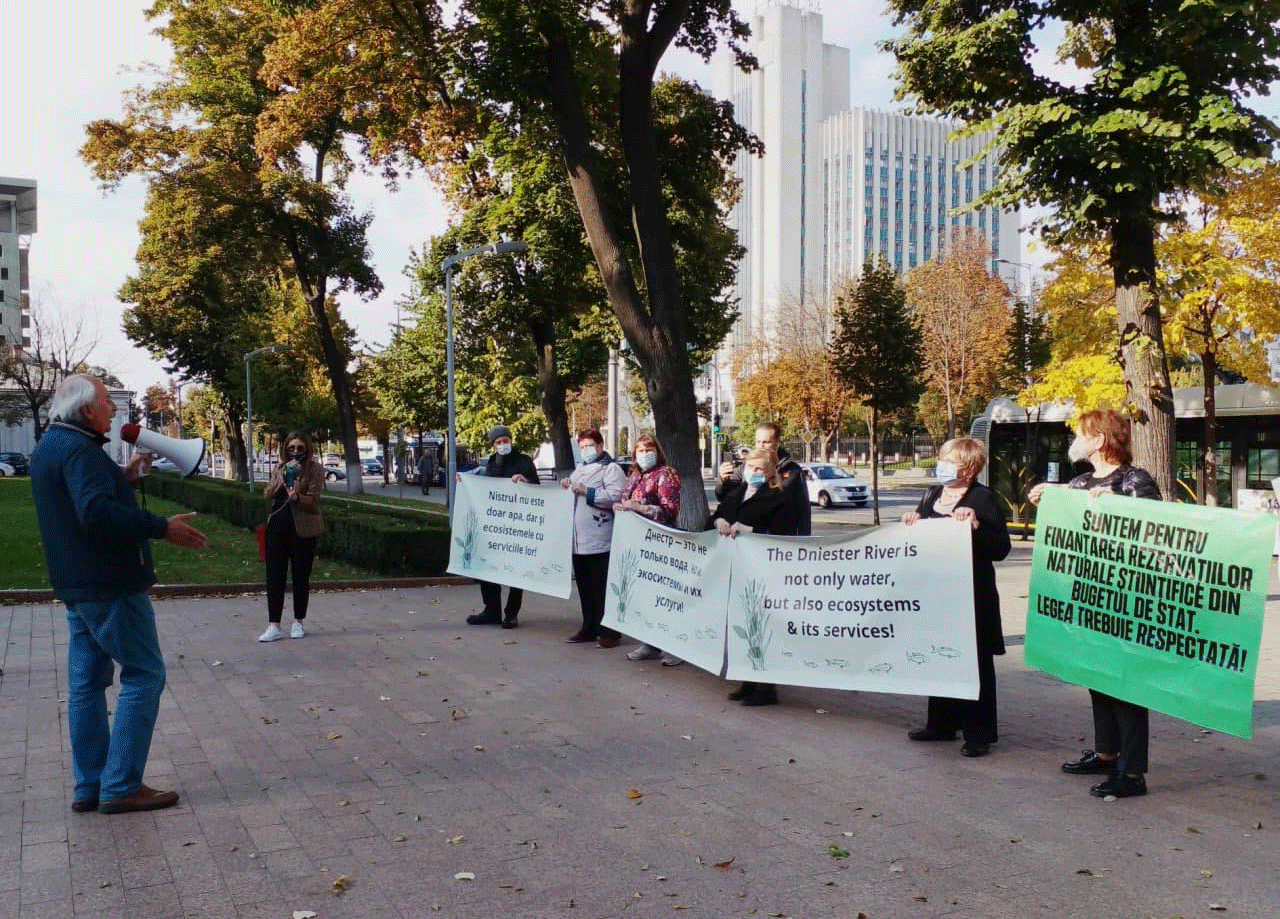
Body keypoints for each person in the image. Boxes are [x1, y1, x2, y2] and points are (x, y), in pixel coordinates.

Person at [30, 374, 208, 815]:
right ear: (88, 410)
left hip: (78, 585)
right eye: (108, 402)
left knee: (87, 685)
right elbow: (93, 511)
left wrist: (122, 477)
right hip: (110, 585)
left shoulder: (52, 446)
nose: (113, 410)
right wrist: (161, 526)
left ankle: (90, 784)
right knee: (145, 673)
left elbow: (80, 501)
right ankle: (121, 783)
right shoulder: (80, 451)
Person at [1028, 409, 1161, 798]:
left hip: (1127, 597)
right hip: (1091, 596)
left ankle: (1132, 773)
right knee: (1097, 676)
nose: (1077, 440)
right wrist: (1047, 502)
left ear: (1100, 440)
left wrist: (1120, 502)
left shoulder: (1134, 479)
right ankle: (1107, 753)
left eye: (1083, 433)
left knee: (1126, 684)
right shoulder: (1081, 481)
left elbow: (1154, 531)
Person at [902, 436, 1011, 757]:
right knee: (938, 654)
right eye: (942, 459)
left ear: (971, 468)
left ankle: (979, 733)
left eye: (950, 461)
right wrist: (913, 522)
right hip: (936, 592)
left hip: (971, 595)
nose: (942, 466)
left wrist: (976, 526)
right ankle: (941, 724)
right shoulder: (933, 495)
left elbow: (1000, 548)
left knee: (974, 661)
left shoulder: (983, 498)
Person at [711, 447, 803, 706]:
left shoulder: (780, 495)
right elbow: (717, 516)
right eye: (752, 467)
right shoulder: (737, 492)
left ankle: (766, 686)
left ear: (772, 471)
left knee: (762, 626)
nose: (755, 472)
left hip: (764, 570)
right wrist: (718, 521)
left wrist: (752, 529)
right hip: (736, 568)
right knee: (741, 624)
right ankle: (747, 679)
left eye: (761, 469)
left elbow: (783, 532)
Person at [616, 433, 683, 663]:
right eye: (640, 450)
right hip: (638, 542)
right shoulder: (635, 476)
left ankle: (675, 647)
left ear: (658, 450)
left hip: (661, 543)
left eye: (649, 449)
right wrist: (623, 507)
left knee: (665, 596)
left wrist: (642, 508)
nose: (645, 454)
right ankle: (650, 643)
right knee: (646, 595)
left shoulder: (666, 474)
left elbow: (669, 511)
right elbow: (626, 500)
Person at [464, 425, 540, 628]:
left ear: (511, 441)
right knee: (487, 566)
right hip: (495, 523)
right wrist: (465, 483)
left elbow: (537, 488)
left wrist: (526, 481)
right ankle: (491, 610)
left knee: (516, 570)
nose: (502, 445)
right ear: (493, 445)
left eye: (505, 441)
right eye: (498, 443)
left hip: (517, 523)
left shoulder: (524, 461)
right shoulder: (491, 462)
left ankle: (511, 613)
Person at [561, 429, 628, 648]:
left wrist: (586, 491)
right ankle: (589, 626)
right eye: (582, 447)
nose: (586, 450)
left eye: (589, 445)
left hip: (600, 537)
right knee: (585, 586)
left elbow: (615, 496)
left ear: (600, 445)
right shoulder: (579, 469)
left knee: (602, 587)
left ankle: (609, 631)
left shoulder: (611, 468)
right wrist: (566, 486)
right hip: (578, 540)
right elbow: (572, 491)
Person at [259, 431, 326, 642]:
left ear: (306, 449)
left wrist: (297, 495)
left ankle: (298, 621)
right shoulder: (280, 467)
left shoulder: (314, 469)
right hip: (278, 526)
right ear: (285, 449)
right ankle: (274, 625)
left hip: (303, 528)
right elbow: (267, 493)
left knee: (300, 575)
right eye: (291, 448)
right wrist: (281, 478)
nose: (295, 452)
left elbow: (314, 502)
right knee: (274, 576)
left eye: (300, 448)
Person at [716, 421, 811, 535]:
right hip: (746, 538)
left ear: (776, 443)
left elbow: (803, 510)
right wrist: (722, 480)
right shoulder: (745, 468)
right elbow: (723, 496)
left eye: (766, 442)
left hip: (779, 540)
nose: (761, 445)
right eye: (758, 441)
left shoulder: (793, 471)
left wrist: (803, 542)